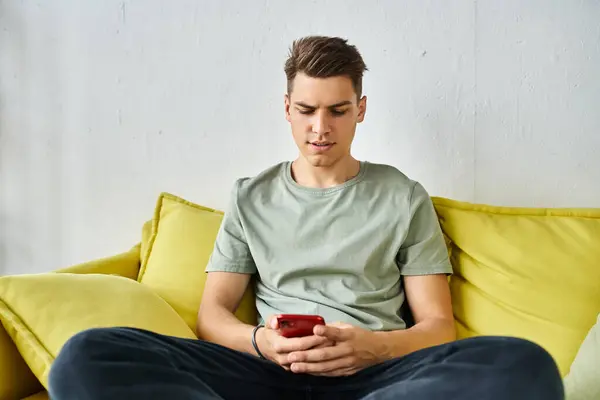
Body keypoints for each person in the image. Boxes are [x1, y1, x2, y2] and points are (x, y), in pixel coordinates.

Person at [48, 36, 564, 400]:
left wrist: (370, 347)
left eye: (338, 111)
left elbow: (437, 327)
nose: (321, 128)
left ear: (360, 109)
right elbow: (213, 317)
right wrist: (261, 343)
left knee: (522, 362)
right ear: (287, 107)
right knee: (89, 353)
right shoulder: (250, 198)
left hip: (379, 377)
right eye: (307, 110)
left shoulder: (404, 196)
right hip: (267, 374)